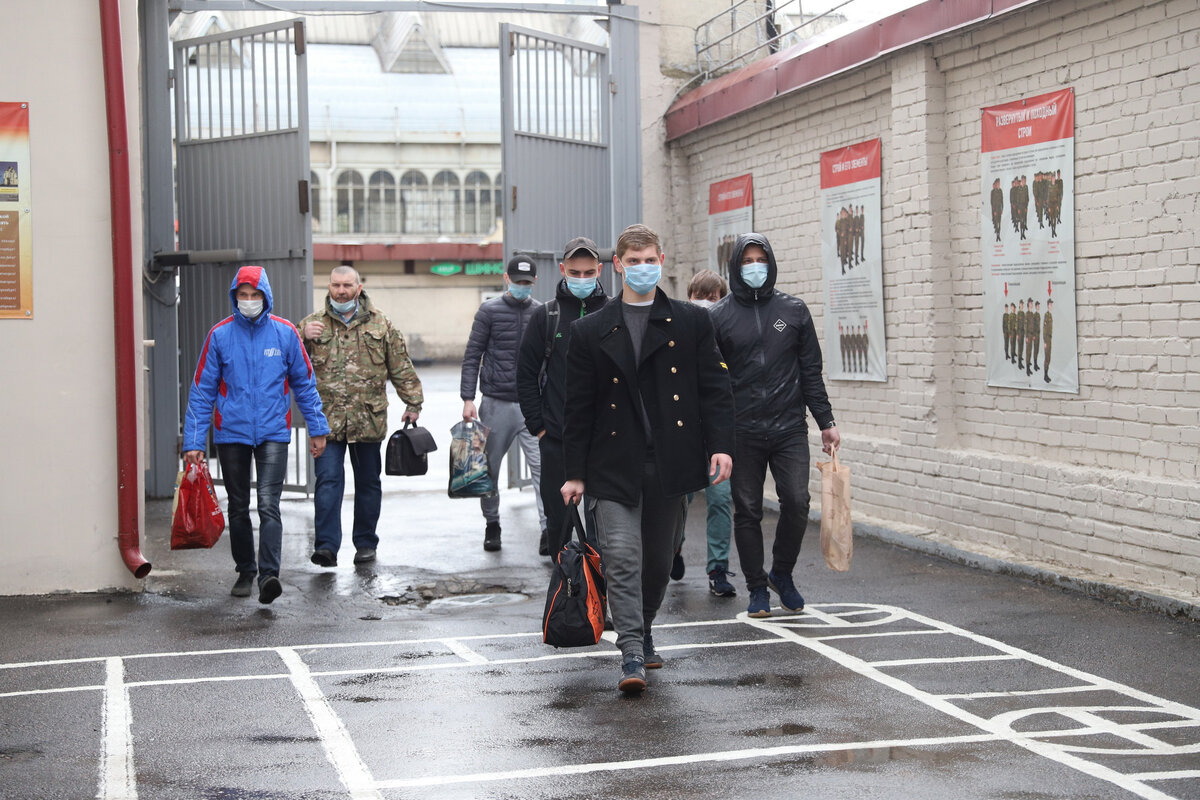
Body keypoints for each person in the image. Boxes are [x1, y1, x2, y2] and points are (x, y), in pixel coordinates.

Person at [561, 224, 734, 693]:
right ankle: (631, 651)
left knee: (657, 562)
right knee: (621, 555)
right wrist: (573, 473)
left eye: (649, 259)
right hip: (611, 464)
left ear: (662, 260)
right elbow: (576, 407)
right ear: (617, 265)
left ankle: (646, 626)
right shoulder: (589, 329)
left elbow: (715, 390)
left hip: (670, 461)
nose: (641, 268)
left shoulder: (692, 322)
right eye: (632, 261)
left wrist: (720, 445)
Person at [710, 233, 840, 619]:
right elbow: (712, 383)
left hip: (788, 427)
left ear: (771, 262)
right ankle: (756, 588)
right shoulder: (718, 316)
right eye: (746, 260)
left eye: (760, 259)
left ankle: (781, 573)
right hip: (742, 430)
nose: (754, 266)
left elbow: (811, 372)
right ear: (735, 266)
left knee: (797, 502)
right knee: (747, 509)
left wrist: (826, 422)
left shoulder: (794, 311)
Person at [183, 266, 330, 604]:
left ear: (266, 296)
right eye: (243, 296)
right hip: (231, 433)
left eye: (255, 295)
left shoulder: (285, 334)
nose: (249, 301)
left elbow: (305, 384)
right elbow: (202, 391)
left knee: (268, 505)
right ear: (234, 297)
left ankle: (268, 576)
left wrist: (317, 428)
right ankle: (245, 570)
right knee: (238, 505)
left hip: (273, 432)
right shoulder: (219, 335)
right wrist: (193, 441)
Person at [300, 265, 424, 568]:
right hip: (326, 421)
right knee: (328, 481)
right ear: (329, 287)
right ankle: (327, 546)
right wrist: (301, 337)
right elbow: (291, 364)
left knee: (368, 482)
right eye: (335, 285)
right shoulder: (312, 325)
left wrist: (413, 402)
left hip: (368, 418)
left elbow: (400, 366)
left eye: (347, 285)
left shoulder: (381, 324)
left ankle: (366, 543)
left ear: (358, 287)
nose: (341, 291)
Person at [516, 236, 609, 557]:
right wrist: (538, 426)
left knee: (602, 533)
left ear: (599, 270)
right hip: (557, 440)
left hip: (603, 442)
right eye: (575, 272)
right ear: (562, 270)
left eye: (588, 273)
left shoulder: (614, 314)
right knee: (558, 527)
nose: (581, 279)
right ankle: (565, 598)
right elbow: (525, 373)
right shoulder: (546, 316)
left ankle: (599, 596)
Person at [461, 254, 545, 552]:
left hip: (531, 406)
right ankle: (492, 524)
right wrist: (468, 398)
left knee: (542, 469)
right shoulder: (489, 311)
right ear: (506, 279)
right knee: (489, 470)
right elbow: (473, 355)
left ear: (534, 282)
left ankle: (548, 530)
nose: (523, 286)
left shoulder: (541, 313)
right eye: (518, 281)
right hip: (495, 403)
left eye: (527, 282)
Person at [685, 269, 737, 598]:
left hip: (715, 432)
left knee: (720, 498)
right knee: (680, 499)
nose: (706, 303)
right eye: (700, 296)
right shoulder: (677, 327)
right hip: (683, 431)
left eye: (713, 297)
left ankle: (718, 568)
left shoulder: (728, 331)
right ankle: (672, 549)